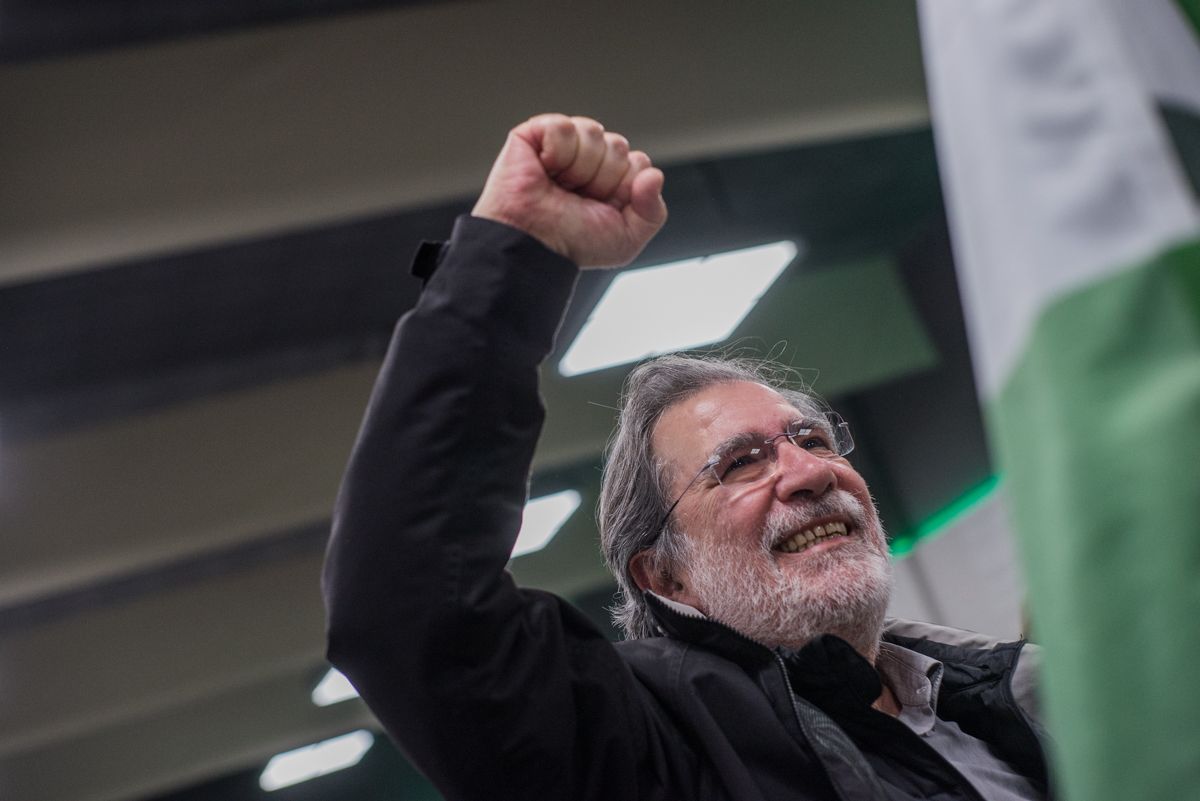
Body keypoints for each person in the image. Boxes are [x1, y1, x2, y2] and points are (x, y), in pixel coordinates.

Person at [323, 114, 1052, 801]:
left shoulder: (1014, 700)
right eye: (739, 464)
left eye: (813, 439)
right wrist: (512, 256)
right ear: (665, 575)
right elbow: (404, 604)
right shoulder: (651, 748)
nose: (807, 473)